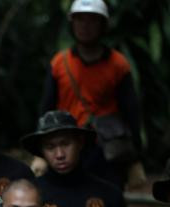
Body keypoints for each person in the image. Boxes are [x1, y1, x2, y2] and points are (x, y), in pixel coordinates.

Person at [39, 0, 141, 188]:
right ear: (72, 24)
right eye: (79, 20)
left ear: (103, 25)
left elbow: (131, 112)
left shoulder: (118, 64)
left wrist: (135, 160)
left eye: (92, 20)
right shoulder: (59, 63)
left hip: (107, 149)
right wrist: (40, 155)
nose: (85, 26)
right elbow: (46, 108)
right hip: (68, 145)